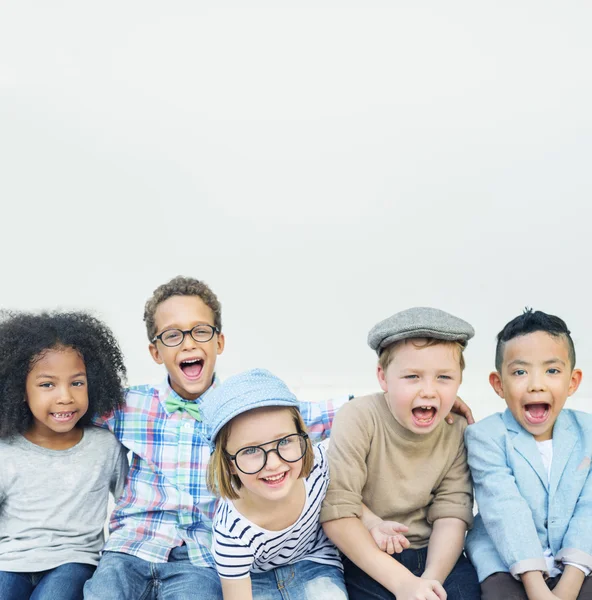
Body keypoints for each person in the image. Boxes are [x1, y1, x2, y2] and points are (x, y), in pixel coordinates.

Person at [83, 276, 353, 600]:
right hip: (130, 547)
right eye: (172, 335)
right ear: (155, 351)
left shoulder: (244, 412)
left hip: (201, 558)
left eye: (200, 331)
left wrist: (396, 395)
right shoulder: (130, 404)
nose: (188, 343)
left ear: (219, 343)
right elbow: (67, 408)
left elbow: (328, 414)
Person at [321, 307, 481, 600]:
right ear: (383, 377)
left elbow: (452, 512)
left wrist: (429, 582)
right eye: (412, 377)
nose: (429, 391)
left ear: (459, 381)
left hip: (435, 554)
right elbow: (338, 509)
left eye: (444, 377)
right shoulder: (359, 417)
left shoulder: (456, 429)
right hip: (367, 554)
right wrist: (404, 585)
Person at [0, 311, 129, 600]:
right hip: (9, 561)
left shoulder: (105, 446)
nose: (65, 397)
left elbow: (128, 505)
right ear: (20, 390)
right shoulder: (6, 451)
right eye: (47, 384)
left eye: (77, 382)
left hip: (74, 561)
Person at [465, 309, 592, 600]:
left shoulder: (588, 432)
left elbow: (589, 510)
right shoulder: (485, 436)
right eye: (520, 372)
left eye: (552, 371)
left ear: (573, 382)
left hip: (578, 557)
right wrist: (539, 592)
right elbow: (505, 509)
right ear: (499, 384)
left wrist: (568, 587)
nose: (536, 384)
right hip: (504, 557)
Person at [204, 368, 347, 600]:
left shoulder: (319, 468)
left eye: (284, 441)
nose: (273, 463)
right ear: (229, 464)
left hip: (314, 561)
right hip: (255, 580)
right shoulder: (231, 532)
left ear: (302, 437)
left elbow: (350, 500)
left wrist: (372, 522)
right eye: (250, 450)